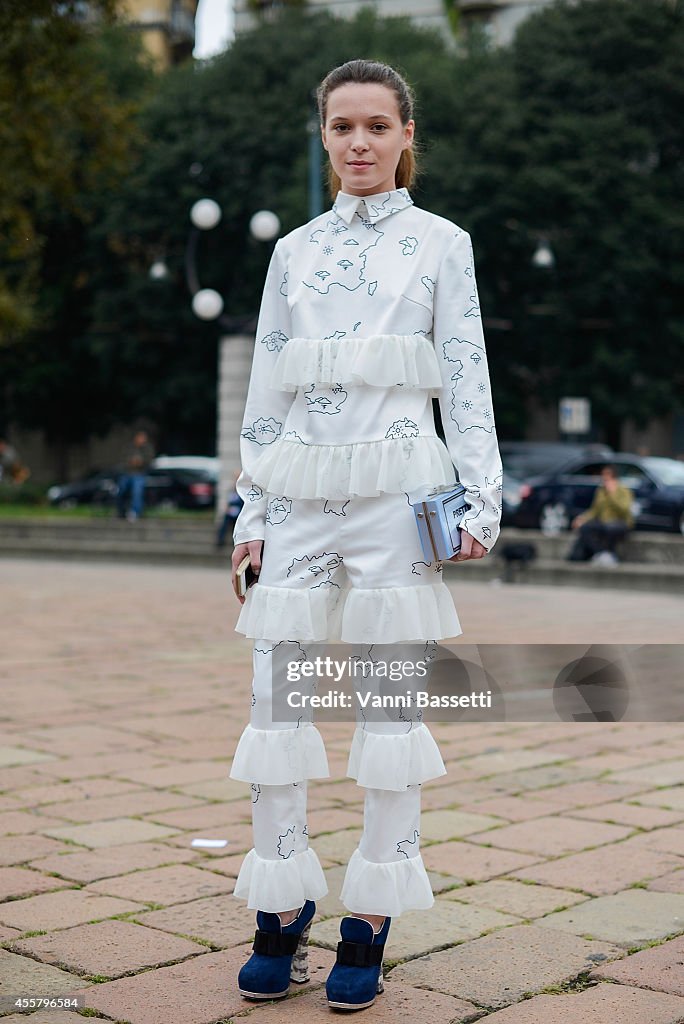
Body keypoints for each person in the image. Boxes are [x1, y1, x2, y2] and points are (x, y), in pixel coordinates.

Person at [229, 59, 503, 1011]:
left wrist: (480, 497)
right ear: (323, 136)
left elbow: (465, 375)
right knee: (276, 704)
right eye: (342, 127)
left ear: (404, 135)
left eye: (377, 126)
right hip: (300, 493)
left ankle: (368, 922)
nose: (358, 143)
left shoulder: (442, 244)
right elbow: (268, 388)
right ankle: (281, 903)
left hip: (401, 497)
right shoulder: (293, 252)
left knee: (389, 714)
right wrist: (251, 510)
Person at [566, 463, 634, 564]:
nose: (604, 478)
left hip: (620, 522)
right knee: (585, 528)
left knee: (610, 529)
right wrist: (582, 518)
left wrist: (612, 494)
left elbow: (624, 509)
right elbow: (594, 510)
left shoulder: (624, 491)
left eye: (607, 475)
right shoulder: (601, 491)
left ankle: (609, 554)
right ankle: (601, 553)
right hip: (604, 522)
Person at [116, 430, 154, 521]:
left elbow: (149, 461)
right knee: (120, 490)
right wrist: (131, 462)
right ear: (136, 437)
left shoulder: (147, 448)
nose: (142, 440)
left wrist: (141, 462)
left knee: (137, 491)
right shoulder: (129, 447)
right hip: (127, 473)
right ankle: (121, 511)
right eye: (141, 438)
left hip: (139, 474)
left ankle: (135, 512)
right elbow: (122, 460)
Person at [216, 470, 244, 548]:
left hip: (240, 513)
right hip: (231, 512)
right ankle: (220, 541)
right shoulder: (232, 489)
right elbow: (229, 502)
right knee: (224, 522)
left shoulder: (243, 490)